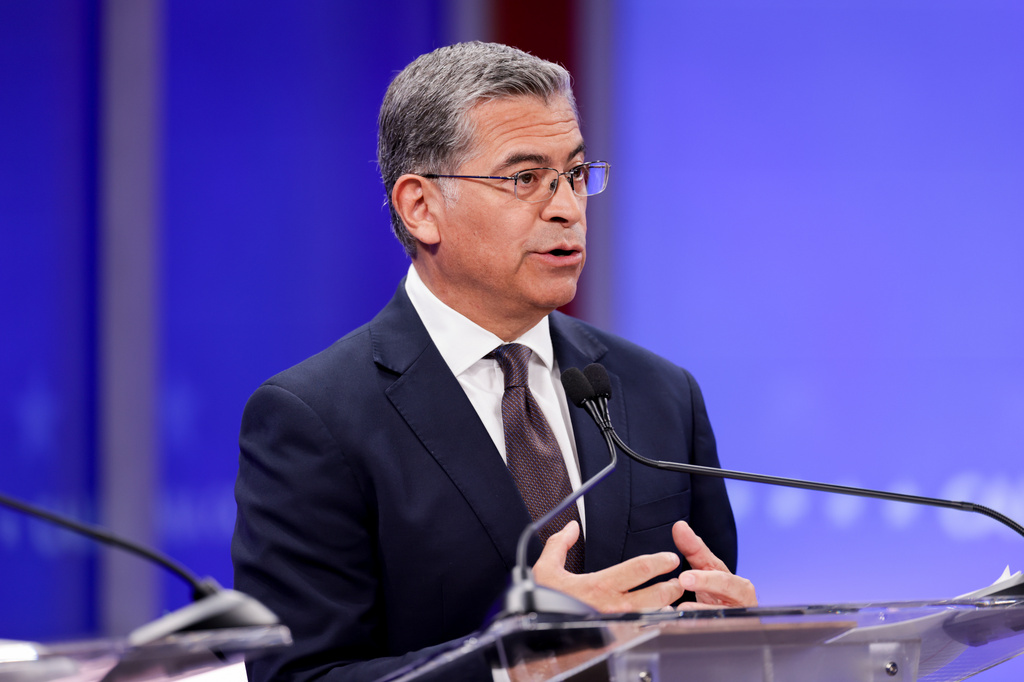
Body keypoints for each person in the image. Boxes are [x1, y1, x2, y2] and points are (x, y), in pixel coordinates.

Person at [232, 42, 756, 682]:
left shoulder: (660, 393)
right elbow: (300, 677)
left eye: (575, 174)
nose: (567, 207)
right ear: (421, 207)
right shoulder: (313, 419)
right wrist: (513, 665)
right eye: (525, 178)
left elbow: (706, 628)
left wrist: (732, 647)